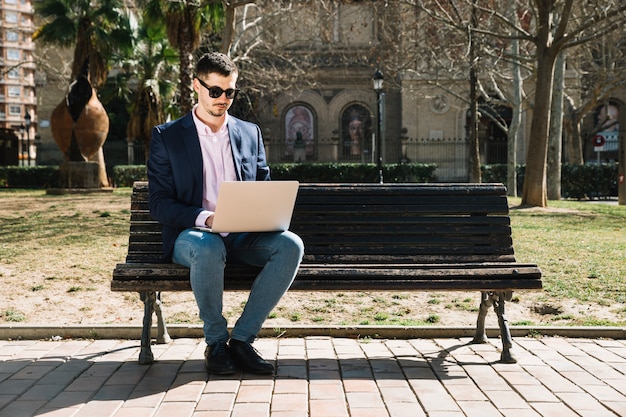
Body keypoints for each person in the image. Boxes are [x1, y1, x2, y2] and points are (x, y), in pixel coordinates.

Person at [147, 52, 304, 375]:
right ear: (197, 86)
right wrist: (206, 219)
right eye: (215, 91)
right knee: (209, 246)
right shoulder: (168, 137)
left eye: (230, 92)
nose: (223, 99)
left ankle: (242, 341)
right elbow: (159, 203)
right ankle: (216, 343)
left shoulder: (249, 133)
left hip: (243, 234)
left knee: (291, 245)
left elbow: (263, 185)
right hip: (192, 237)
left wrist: (265, 211)